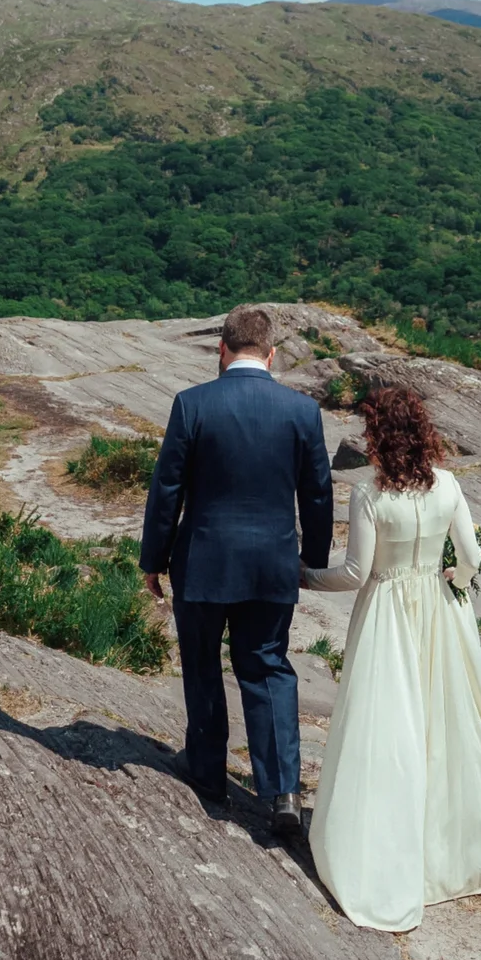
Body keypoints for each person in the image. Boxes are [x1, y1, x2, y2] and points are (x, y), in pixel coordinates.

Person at [303, 383, 481, 932]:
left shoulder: (370, 493)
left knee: (387, 729)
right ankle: (454, 856)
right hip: (442, 613)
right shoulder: (448, 485)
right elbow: (471, 555)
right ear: (422, 431)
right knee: (446, 726)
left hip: (388, 616)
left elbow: (355, 573)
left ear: (378, 435)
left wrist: (302, 576)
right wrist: (458, 579)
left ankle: (386, 853)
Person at [139, 303, 334, 837]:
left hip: (202, 562)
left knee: (202, 665)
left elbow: (168, 491)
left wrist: (153, 560)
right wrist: (310, 562)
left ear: (221, 351)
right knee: (268, 668)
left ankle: (207, 774)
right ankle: (283, 793)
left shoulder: (192, 404)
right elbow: (318, 495)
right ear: (271, 355)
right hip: (272, 566)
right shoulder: (301, 412)